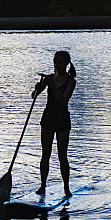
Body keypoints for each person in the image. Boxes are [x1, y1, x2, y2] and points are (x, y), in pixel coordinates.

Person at [31, 50, 76, 197]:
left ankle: (66, 188)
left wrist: (52, 85)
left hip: (62, 119)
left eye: (59, 62)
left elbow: (63, 101)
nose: (56, 64)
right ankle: (43, 186)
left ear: (66, 64)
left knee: (62, 155)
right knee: (45, 154)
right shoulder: (49, 78)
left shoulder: (71, 81)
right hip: (48, 117)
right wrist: (37, 88)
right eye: (55, 61)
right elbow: (35, 95)